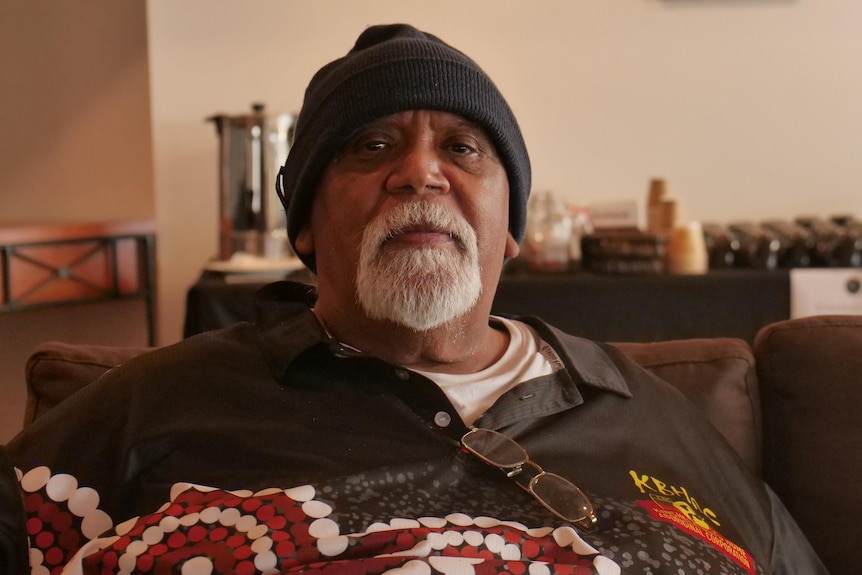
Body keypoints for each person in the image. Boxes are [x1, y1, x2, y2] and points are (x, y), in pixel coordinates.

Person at [0, 24, 827, 575]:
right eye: (373, 146)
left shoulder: (645, 409)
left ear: (510, 227)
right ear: (307, 229)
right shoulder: (163, 402)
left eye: (463, 147)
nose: (420, 172)